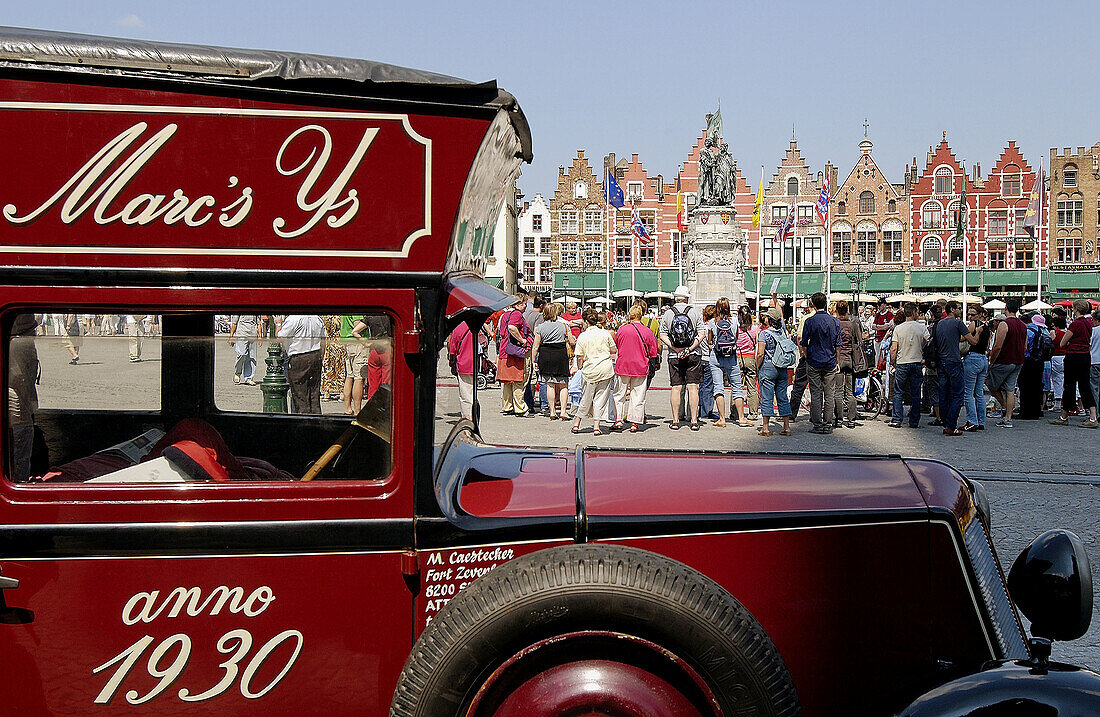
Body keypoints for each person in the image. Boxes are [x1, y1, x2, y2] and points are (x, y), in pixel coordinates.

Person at [659, 286, 705, 431]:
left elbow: (662, 335)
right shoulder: (695, 312)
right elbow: (702, 334)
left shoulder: (667, 314)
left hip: (674, 355)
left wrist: (676, 349)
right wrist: (689, 349)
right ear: (687, 298)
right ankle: (694, 421)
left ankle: (675, 420)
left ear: (676, 298)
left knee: (676, 388)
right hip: (693, 354)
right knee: (693, 388)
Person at [1050, 299, 1099, 428]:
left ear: (1076, 309)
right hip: (1085, 355)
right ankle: (1093, 416)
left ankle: (1064, 415)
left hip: (1073, 355)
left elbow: (1062, 342)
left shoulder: (1075, 324)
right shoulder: (1090, 323)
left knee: (1069, 385)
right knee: (1085, 386)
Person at [932, 301, 977, 436]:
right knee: (958, 394)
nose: (961, 310)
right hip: (954, 361)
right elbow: (973, 341)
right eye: (959, 308)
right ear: (952, 309)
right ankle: (951, 425)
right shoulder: (958, 323)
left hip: (942, 362)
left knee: (944, 394)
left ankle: (946, 423)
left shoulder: (940, 324)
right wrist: (978, 332)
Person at [800, 292, 841, 435]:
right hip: (830, 361)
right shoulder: (835, 322)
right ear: (825, 304)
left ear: (813, 305)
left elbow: (804, 343)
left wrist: (806, 356)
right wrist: (837, 360)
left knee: (816, 393)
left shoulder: (809, 322)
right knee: (830, 393)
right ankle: (827, 423)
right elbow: (838, 344)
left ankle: (817, 424)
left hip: (814, 360)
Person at [613, 303, 658, 431]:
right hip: (640, 366)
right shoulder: (647, 331)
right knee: (638, 395)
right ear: (641, 315)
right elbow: (653, 352)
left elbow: (616, 343)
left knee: (619, 394)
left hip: (623, 365)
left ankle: (618, 420)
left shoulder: (622, 329)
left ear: (630, 315)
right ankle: (634, 422)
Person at [571, 308, 617, 435]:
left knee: (585, 398)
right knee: (600, 399)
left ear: (586, 322)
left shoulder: (583, 336)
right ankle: (596, 426)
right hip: (605, 368)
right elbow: (613, 349)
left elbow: (579, 356)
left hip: (590, 369)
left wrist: (580, 367)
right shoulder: (605, 333)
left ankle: (576, 424)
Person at [707, 297, 751, 428]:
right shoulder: (734, 322)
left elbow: (709, 341)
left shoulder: (712, 323)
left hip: (716, 356)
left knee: (718, 387)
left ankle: (722, 419)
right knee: (737, 387)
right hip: (731, 356)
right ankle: (742, 418)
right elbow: (736, 338)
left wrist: (714, 346)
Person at [987, 298, 1027, 428]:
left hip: (1005, 360)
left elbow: (998, 346)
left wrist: (992, 361)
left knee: (991, 385)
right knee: (1010, 389)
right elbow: (1025, 346)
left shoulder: (1004, 324)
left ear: (1006, 308)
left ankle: (1004, 406)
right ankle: (1008, 417)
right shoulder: (1023, 325)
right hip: (1018, 360)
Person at [531, 302, 573, 421]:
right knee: (563, 384)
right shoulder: (564, 326)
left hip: (546, 354)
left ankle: (552, 411)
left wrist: (534, 359)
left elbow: (536, 345)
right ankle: (563, 411)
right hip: (560, 354)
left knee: (550, 384)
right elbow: (572, 341)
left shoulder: (540, 327)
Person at [277, 314, 326, 414]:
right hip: (315, 355)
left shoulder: (293, 319)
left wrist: (278, 324)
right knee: (314, 394)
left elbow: (279, 337)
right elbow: (323, 340)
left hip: (299, 357)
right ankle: (316, 419)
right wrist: (321, 357)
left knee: (300, 394)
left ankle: (303, 420)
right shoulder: (317, 318)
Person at [889, 305, 927, 428]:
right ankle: (914, 421)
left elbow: (894, 348)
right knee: (915, 393)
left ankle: (897, 419)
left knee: (898, 392)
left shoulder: (898, 329)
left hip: (902, 362)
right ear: (914, 313)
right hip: (916, 362)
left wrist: (892, 363)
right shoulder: (922, 328)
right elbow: (929, 342)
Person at [756, 307, 792, 437]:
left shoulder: (764, 334)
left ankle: (765, 427)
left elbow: (760, 354)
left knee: (767, 397)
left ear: (769, 320)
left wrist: (758, 366)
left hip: (768, 366)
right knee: (782, 397)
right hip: (782, 367)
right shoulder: (782, 333)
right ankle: (786, 426)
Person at [496, 296, 531, 416]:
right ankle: (520, 407)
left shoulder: (505, 314)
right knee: (518, 380)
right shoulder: (516, 314)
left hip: (505, 351)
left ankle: (507, 406)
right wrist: (522, 340)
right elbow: (512, 327)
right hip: (515, 353)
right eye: (524, 303)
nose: (525, 306)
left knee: (507, 382)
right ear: (517, 304)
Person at [832, 300, 864, 429]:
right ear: (847, 310)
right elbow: (860, 342)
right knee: (850, 392)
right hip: (850, 359)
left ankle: (839, 419)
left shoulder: (835, 324)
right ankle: (851, 419)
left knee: (838, 391)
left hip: (838, 359)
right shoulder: (853, 324)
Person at [962, 307, 992, 431]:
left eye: (973, 314)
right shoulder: (987, 328)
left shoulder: (974, 325)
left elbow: (964, 338)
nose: (970, 317)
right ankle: (981, 421)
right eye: (969, 314)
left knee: (968, 392)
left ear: (980, 314)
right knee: (979, 392)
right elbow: (988, 345)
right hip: (983, 359)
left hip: (973, 358)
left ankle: (972, 421)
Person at [1018, 314, 1049, 420]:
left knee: (1025, 387)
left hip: (1028, 361)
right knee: (1036, 387)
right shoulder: (1042, 331)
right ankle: (1036, 411)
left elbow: (1024, 347)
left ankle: (1025, 412)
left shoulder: (1028, 331)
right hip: (1040, 362)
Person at [788, 299, 813, 420]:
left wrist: (803, 352)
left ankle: (792, 414)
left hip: (807, 355)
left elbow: (799, 337)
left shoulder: (806, 319)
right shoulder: (828, 318)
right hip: (821, 357)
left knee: (798, 386)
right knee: (818, 388)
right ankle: (816, 415)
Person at [734, 306, 760, 421]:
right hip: (750, 357)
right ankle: (753, 412)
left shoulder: (736, 328)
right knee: (752, 386)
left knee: (736, 386)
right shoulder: (755, 328)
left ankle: (735, 412)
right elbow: (757, 343)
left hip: (738, 357)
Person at [448, 320, 477, 421]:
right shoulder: (475, 326)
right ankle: (473, 413)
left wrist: (451, 360)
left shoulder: (458, 328)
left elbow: (453, 347)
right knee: (472, 389)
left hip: (464, 363)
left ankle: (467, 415)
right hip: (475, 362)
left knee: (465, 392)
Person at [341, 314, 369, 414]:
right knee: (359, 377)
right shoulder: (357, 308)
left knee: (349, 376)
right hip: (358, 343)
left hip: (347, 340)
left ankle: (347, 408)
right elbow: (357, 324)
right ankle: (358, 411)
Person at [523, 293, 546, 414]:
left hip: (525, 345)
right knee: (539, 377)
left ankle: (527, 401)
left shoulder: (525, 313)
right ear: (541, 305)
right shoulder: (539, 316)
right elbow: (537, 332)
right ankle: (542, 404)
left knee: (527, 376)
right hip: (534, 346)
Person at [697, 304, 719, 422]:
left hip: (700, 358)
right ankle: (707, 411)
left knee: (701, 386)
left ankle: (700, 409)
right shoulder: (712, 327)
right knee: (708, 387)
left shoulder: (701, 328)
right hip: (709, 358)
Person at [228, 314, 260, 385]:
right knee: (241, 354)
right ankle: (237, 373)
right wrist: (231, 336)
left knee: (252, 357)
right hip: (242, 334)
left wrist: (260, 337)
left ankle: (249, 378)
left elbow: (258, 323)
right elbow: (234, 323)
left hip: (253, 334)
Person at [1049, 313, 1068, 413]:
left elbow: (1050, 342)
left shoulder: (1054, 332)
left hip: (1056, 356)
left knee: (1057, 380)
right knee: (1065, 379)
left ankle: (1057, 402)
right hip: (1065, 356)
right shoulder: (1067, 333)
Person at [871, 298, 894, 367]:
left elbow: (887, 327)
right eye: (878, 305)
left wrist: (878, 326)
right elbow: (873, 326)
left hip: (886, 339)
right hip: (877, 338)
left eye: (880, 305)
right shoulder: (877, 315)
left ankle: (884, 368)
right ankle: (877, 368)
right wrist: (882, 327)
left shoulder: (889, 315)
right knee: (877, 355)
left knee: (885, 355)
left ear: (884, 305)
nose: (878, 307)